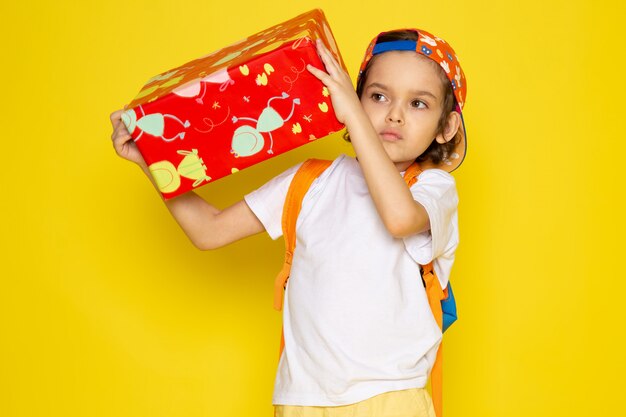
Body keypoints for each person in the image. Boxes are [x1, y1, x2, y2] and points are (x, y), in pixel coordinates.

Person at [110, 27, 467, 417]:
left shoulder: (433, 189)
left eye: (418, 104)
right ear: (354, 99)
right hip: (301, 399)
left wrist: (355, 117)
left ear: (446, 127)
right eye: (378, 96)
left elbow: (399, 218)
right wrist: (151, 161)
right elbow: (208, 230)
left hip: (392, 397)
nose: (394, 114)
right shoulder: (311, 180)